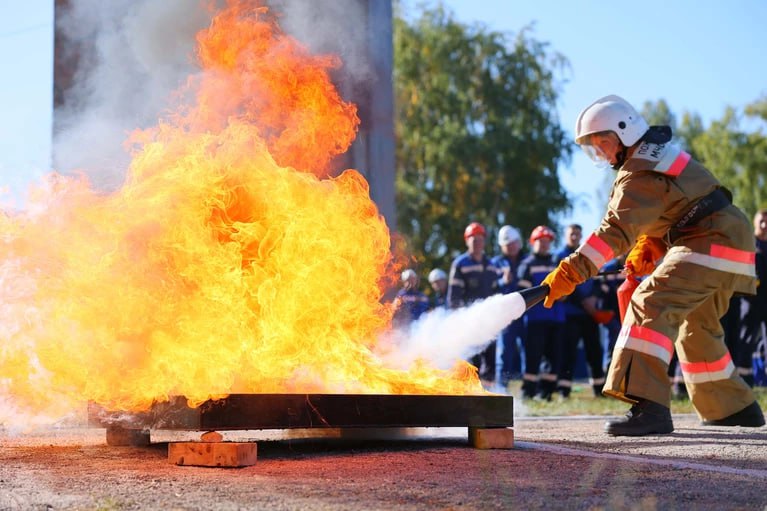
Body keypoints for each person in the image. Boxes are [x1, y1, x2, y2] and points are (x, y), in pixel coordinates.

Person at [542, 94, 764, 435]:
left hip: (710, 239)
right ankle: (734, 408)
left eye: (602, 143)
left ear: (624, 133)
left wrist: (570, 273)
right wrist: (653, 241)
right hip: (730, 238)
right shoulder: (654, 156)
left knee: (650, 303)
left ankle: (649, 408)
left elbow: (613, 232)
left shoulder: (637, 171)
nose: (599, 153)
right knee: (696, 326)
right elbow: (681, 202)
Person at [555, 224, 612, 398]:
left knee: (594, 352)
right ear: (566, 235)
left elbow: (598, 281)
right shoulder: (560, 256)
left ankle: (598, 390)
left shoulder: (588, 255)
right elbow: (562, 283)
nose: (574, 237)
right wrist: (583, 302)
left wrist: (593, 298)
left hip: (590, 315)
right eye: (571, 234)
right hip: (571, 314)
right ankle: (564, 391)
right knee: (568, 353)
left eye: (577, 234)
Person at [447, 222, 501, 383]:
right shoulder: (460, 264)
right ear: (467, 241)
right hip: (470, 321)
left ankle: (489, 395)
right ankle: (472, 395)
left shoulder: (491, 265)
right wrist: (459, 318)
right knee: (472, 359)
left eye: (480, 239)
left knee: (490, 357)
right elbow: (454, 296)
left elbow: (496, 292)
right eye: (473, 239)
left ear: (484, 241)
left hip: (489, 321)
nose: (477, 242)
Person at [517, 225, 564, 400]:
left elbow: (567, 287)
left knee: (553, 356)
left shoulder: (557, 263)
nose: (544, 245)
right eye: (540, 241)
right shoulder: (527, 264)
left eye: (547, 241)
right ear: (532, 243)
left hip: (556, 318)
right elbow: (523, 293)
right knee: (533, 355)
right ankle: (528, 390)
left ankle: (547, 392)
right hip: (535, 319)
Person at [491, 225, 527, 385]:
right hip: (505, 316)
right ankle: (501, 388)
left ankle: (529, 390)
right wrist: (501, 282)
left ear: (519, 243)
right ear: (502, 246)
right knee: (504, 352)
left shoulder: (528, 260)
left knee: (529, 350)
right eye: (507, 244)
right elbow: (489, 287)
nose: (511, 246)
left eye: (513, 243)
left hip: (526, 313)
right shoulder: (494, 263)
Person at [740, 209, 767, 385]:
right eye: (761, 221)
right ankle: (744, 378)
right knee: (746, 339)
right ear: (754, 222)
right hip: (750, 299)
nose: (764, 225)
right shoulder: (749, 243)